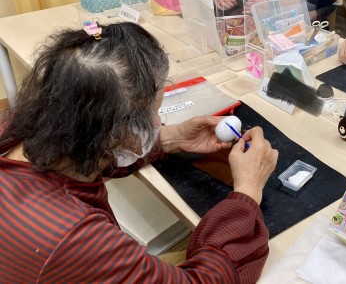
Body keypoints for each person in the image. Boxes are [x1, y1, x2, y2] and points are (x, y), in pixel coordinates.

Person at [0, 21, 278, 282]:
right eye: (155, 112)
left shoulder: (25, 129)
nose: (158, 122)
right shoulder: (75, 238)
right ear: (112, 131)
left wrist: (171, 138)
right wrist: (248, 189)